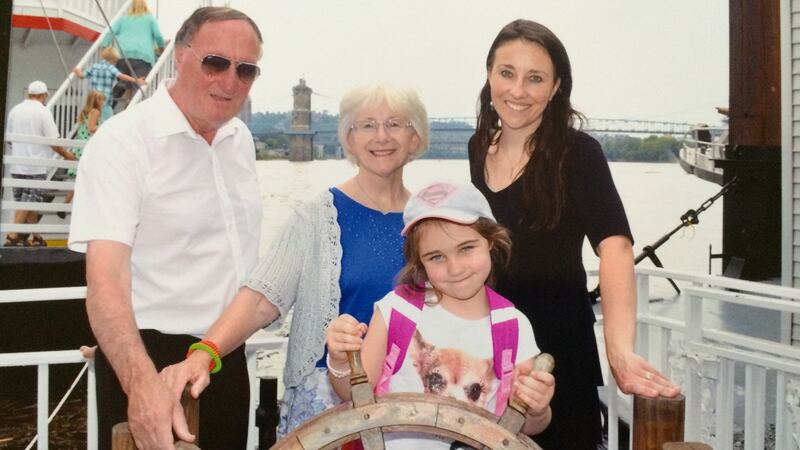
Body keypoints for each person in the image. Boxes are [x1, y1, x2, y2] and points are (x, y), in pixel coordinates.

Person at [160, 82, 430, 438]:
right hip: (329, 409)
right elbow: (261, 299)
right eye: (367, 125)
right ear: (349, 139)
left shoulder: (432, 220)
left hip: (414, 405)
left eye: (396, 124)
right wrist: (204, 354)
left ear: (415, 139)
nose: (381, 136)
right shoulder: (316, 217)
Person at [467, 19, 681, 449]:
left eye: (535, 78)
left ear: (556, 86)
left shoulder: (578, 153)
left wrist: (618, 351)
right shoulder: (478, 147)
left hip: (558, 350)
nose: (518, 91)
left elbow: (616, 247)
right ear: (489, 73)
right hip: (490, 348)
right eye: (506, 73)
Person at [67, 7, 263, 450]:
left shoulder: (240, 140)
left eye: (246, 70)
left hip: (222, 358)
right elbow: (106, 280)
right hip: (148, 361)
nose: (230, 80)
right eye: (215, 62)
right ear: (180, 56)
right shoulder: (123, 142)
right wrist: (140, 385)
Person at [325, 181, 555, 448]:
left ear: (490, 242)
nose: (455, 268)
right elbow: (355, 399)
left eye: (466, 248)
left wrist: (538, 409)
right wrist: (340, 361)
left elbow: (524, 426)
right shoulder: (396, 311)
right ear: (418, 260)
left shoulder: (513, 326)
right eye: (436, 257)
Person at [4, 80, 77, 247]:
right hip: (35, 167)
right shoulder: (43, 112)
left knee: (27, 203)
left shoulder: (15, 110)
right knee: (28, 202)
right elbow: (53, 141)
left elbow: (10, 140)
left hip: (17, 165)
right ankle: (12, 235)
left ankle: (36, 236)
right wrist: (66, 154)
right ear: (43, 95)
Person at [101, 0, 164, 110]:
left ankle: (109, 108)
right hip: (142, 58)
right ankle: (131, 111)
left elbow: (110, 32)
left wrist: (104, 46)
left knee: (125, 83)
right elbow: (158, 36)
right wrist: (161, 48)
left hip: (122, 56)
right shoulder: (149, 19)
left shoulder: (123, 19)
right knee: (137, 88)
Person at [73, 46, 146, 120]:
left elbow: (81, 76)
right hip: (105, 102)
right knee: (108, 123)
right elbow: (121, 76)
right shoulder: (110, 68)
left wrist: (77, 70)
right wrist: (136, 80)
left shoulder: (94, 66)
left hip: (93, 102)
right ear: (113, 60)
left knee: (93, 121)